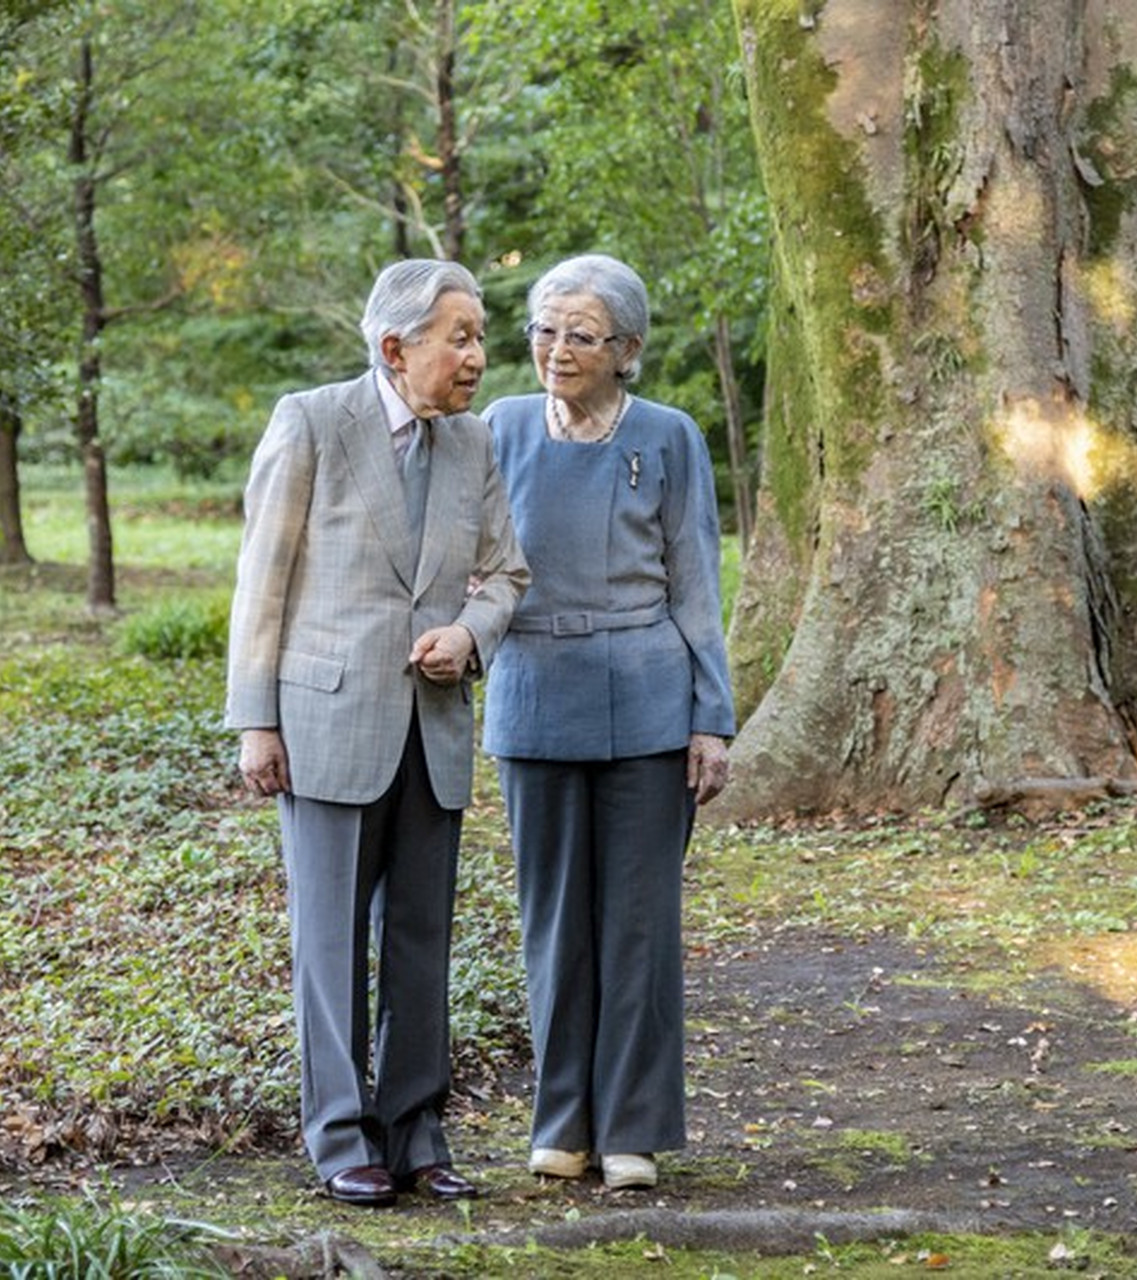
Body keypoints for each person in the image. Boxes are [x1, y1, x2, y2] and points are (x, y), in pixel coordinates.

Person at [224, 259, 529, 1208]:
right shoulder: (312, 421)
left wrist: (468, 634)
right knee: (328, 946)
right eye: (460, 337)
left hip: (431, 732)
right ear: (396, 348)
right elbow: (260, 578)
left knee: (420, 942)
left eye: (479, 335)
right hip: (321, 724)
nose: (477, 355)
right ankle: (339, 1136)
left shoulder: (473, 443)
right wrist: (255, 720)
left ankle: (417, 1132)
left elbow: (506, 574)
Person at [482, 253, 734, 1192]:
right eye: (544, 331)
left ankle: (631, 1128)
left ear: (625, 349)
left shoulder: (668, 437)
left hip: (647, 699)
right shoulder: (499, 427)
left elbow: (697, 583)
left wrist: (712, 718)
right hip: (531, 694)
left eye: (579, 335)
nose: (555, 350)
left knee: (637, 923)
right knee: (553, 923)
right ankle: (562, 1123)